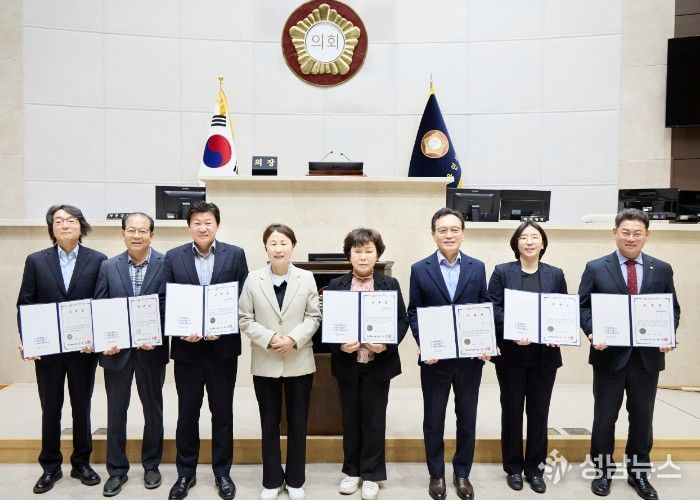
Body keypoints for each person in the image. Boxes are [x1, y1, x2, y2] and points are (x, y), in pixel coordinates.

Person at [579, 208, 680, 500]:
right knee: (604, 417)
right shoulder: (596, 268)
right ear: (615, 233)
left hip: (647, 359)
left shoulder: (662, 269)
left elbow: (672, 309)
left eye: (637, 233)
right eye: (625, 232)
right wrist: (592, 332)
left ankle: (639, 474)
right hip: (609, 356)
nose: (631, 238)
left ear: (647, 235)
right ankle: (602, 472)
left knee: (642, 419)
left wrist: (667, 334)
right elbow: (582, 307)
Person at [161, 201, 248, 500]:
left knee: (222, 414)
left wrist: (225, 324)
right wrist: (179, 329)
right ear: (189, 226)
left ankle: (222, 472)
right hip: (187, 351)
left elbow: (243, 297)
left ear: (217, 225)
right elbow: (166, 299)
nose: (202, 227)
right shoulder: (173, 257)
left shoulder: (235, 254)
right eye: (197, 222)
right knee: (187, 414)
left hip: (223, 349)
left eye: (208, 222)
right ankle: (185, 473)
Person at [16, 205, 107, 494]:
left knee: (82, 406)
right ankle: (50, 466)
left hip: (83, 350)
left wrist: (97, 338)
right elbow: (26, 303)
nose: (65, 225)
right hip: (48, 351)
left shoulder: (98, 260)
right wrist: (28, 339)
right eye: (58, 221)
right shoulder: (36, 260)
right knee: (50, 407)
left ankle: (81, 463)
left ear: (81, 226)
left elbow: (101, 304)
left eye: (70, 220)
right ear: (51, 228)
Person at [407, 207, 491, 500]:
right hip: (435, 360)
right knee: (434, 419)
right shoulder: (420, 269)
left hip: (469, 360)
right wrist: (424, 343)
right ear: (433, 235)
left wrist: (485, 342)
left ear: (463, 233)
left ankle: (462, 473)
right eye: (442, 230)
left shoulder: (477, 267)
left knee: (467, 418)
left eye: (454, 229)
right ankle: (436, 474)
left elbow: (484, 305)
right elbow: (414, 311)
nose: (449, 235)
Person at [325, 228, 409, 500]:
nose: (363, 256)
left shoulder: (389, 284)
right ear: (349, 255)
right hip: (348, 363)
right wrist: (339, 345)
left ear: (377, 254)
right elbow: (326, 324)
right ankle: (352, 471)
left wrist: (386, 344)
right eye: (358, 251)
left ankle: (371, 474)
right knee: (350, 420)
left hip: (378, 364)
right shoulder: (336, 285)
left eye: (368, 251)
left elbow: (402, 320)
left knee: (374, 420)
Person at [239, 224, 320, 500]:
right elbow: (245, 319)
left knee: (298, 423)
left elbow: (314, 316)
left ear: (292, 246)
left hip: (299, 360)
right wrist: (271, 337)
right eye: (273, 243)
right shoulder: (253, 279)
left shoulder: (306, 278)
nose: (278, 248)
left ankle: (295, 480)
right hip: (266, 361)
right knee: (269, 423)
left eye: (283, 243)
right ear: (266, 247)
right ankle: (272, 480)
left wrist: (293, 339)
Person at [487, 221, 567, 494]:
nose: (529, 241)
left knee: (539, 413)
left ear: (543, 243)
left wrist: (559, 332)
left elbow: (562, 310)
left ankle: (535, 469)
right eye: (524, 237)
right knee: (511, 411)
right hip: (511, 355)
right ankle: (513, 467)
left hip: (545, 356)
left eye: (535, 237)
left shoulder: (555, 274)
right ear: (516, 243)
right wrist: (514, 328)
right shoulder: (502, 272)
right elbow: (493, 308)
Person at [94, 212, 168, 496]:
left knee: (153, 412)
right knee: (116, 413)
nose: (137, 235)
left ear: (152, 234)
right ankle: (116, 470)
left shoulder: (166, 263)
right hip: (117, 353)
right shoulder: (108, 266)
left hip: (151, 351)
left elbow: (169, 305)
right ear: (122, 233)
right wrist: (105, 340)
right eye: (131, 230)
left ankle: (151, 466)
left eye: (143, 230)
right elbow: (100, 305)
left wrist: (156, 335)